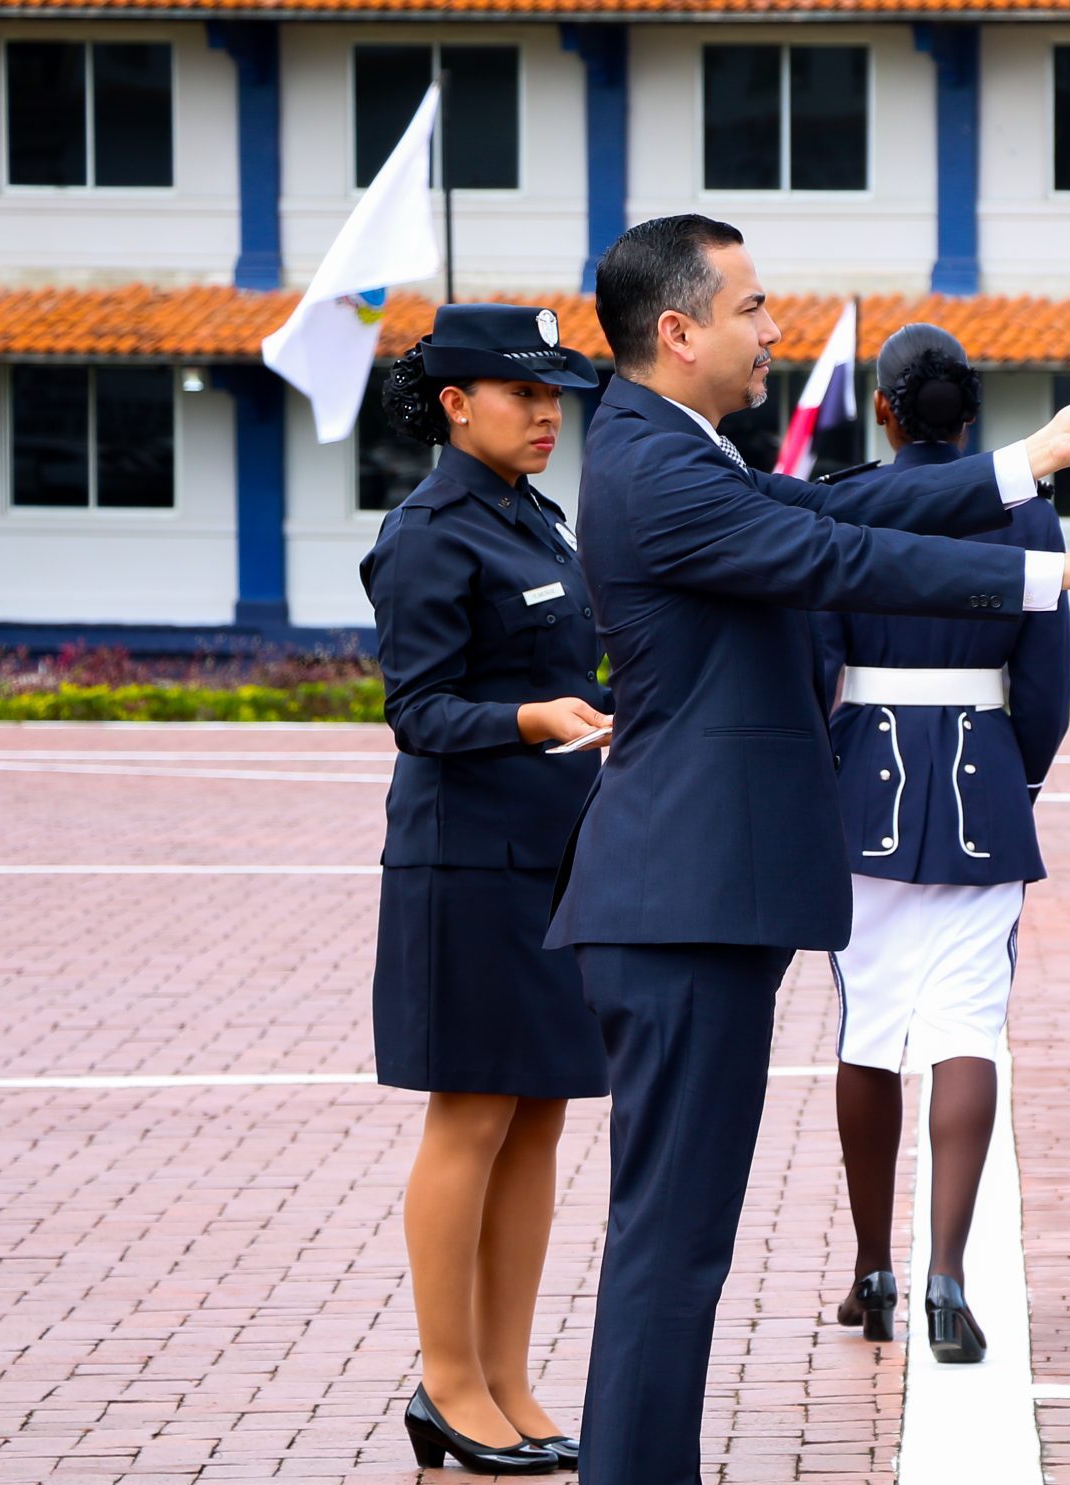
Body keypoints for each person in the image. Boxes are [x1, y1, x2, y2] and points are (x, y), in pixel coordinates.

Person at [544, 214, 1070, 1485]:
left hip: (695, 895)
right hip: (680, 900)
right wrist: (1060, 576)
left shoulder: (672, 445)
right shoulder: (658, 465)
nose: (773, 328)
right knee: (671, 1242)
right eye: (751, 307)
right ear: (679, 330)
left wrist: (1034, 458)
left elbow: (842, 500)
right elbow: (835, 552)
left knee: (680, 1239)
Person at [360, 303, 616, 1476]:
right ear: (457, 405)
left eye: (554, 395)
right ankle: (447, 1381)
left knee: (540, 1115)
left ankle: (506, 1378)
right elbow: (417, 710)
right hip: (464, 865)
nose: (546, 413)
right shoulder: (428, 532)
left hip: (553, 854)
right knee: (469, 1115)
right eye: (524, 393)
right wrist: (529, 719)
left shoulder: (534, 518)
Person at [808, 325, 1070, 1364]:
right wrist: (1018, 781)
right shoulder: (1028, 514)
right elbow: (1044, 687)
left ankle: (873, 1268)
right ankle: (946, 1278)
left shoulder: (846, 502)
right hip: (981, 781)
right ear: (971, 411)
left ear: (884, 410)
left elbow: (815, 664)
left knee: (868, 1028)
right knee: (966, 1028)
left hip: (863, 784)